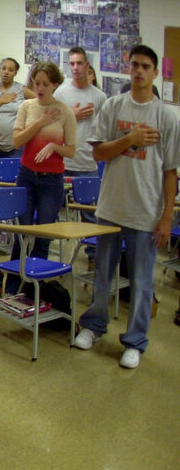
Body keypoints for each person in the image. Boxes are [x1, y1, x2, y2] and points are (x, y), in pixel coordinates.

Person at [74, 45, 179, 369]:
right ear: (128, 67)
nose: (139, 71)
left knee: (142, 282)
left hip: (146, 212)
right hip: (111, 208)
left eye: (146, 66)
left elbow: (170, 172)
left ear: (155, 72)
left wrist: (165, 218)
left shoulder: (166, 117)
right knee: (102, 275)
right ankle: (94, 326)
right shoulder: (113, 106)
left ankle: (135, 341)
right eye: (134, 65)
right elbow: (99, 154)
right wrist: (130, 139)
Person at [4, 62, 76, 293]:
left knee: (44, 233)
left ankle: (34, 289)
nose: (41, 87)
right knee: (22, 232)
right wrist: (39, 124)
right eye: (37, 83)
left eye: (46, 84)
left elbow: (71, 150)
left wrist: (55, 146)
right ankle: (13, 287)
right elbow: (16, 142)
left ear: (55, 84)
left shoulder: (65, 112)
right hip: (26, 175)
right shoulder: (26, 106)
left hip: (51, 180)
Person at [55, 47, 107, 245]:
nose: (75, 68)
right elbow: (50, 127)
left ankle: (93, 254)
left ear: (87, 65)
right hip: (63, 162)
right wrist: (72, 116)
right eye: (72, 63)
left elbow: (103, 131)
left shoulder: (99, 97)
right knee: (52, 212)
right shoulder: (60, 94)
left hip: (87, 164)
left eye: (79, 63)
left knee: (90, 215)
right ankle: (52, 253)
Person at [0, 58, 35, 159]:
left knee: (15, 174)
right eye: (4, 68)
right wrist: (0, 101)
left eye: (10, 70)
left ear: (15, 73)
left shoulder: (21, 89)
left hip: (17, 146)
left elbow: (41, 101)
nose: (6, 72)